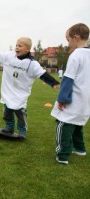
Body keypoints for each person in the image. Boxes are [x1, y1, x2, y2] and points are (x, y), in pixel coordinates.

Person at [0, 37, 60, 139]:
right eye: (16, 45)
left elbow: (42, 74)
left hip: (21, 93)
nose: (16, 47)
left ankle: (22, 130)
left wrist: (54, 83)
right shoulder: (9, 56)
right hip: (8, 91)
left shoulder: (32, 64)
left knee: (20, 113)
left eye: (20, 46)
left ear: (27, 49)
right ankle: (9, 127)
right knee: (7, 111)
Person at [51, 23, 90, 165]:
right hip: (85, 102)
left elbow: (68, 79)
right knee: (78, 124)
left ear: (76, 37)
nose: (68, 43)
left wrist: (62, 99)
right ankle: (80, 149)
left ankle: (62, 155)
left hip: (74, 99)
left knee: (64, 124)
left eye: (68, 40)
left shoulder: (76, 55)